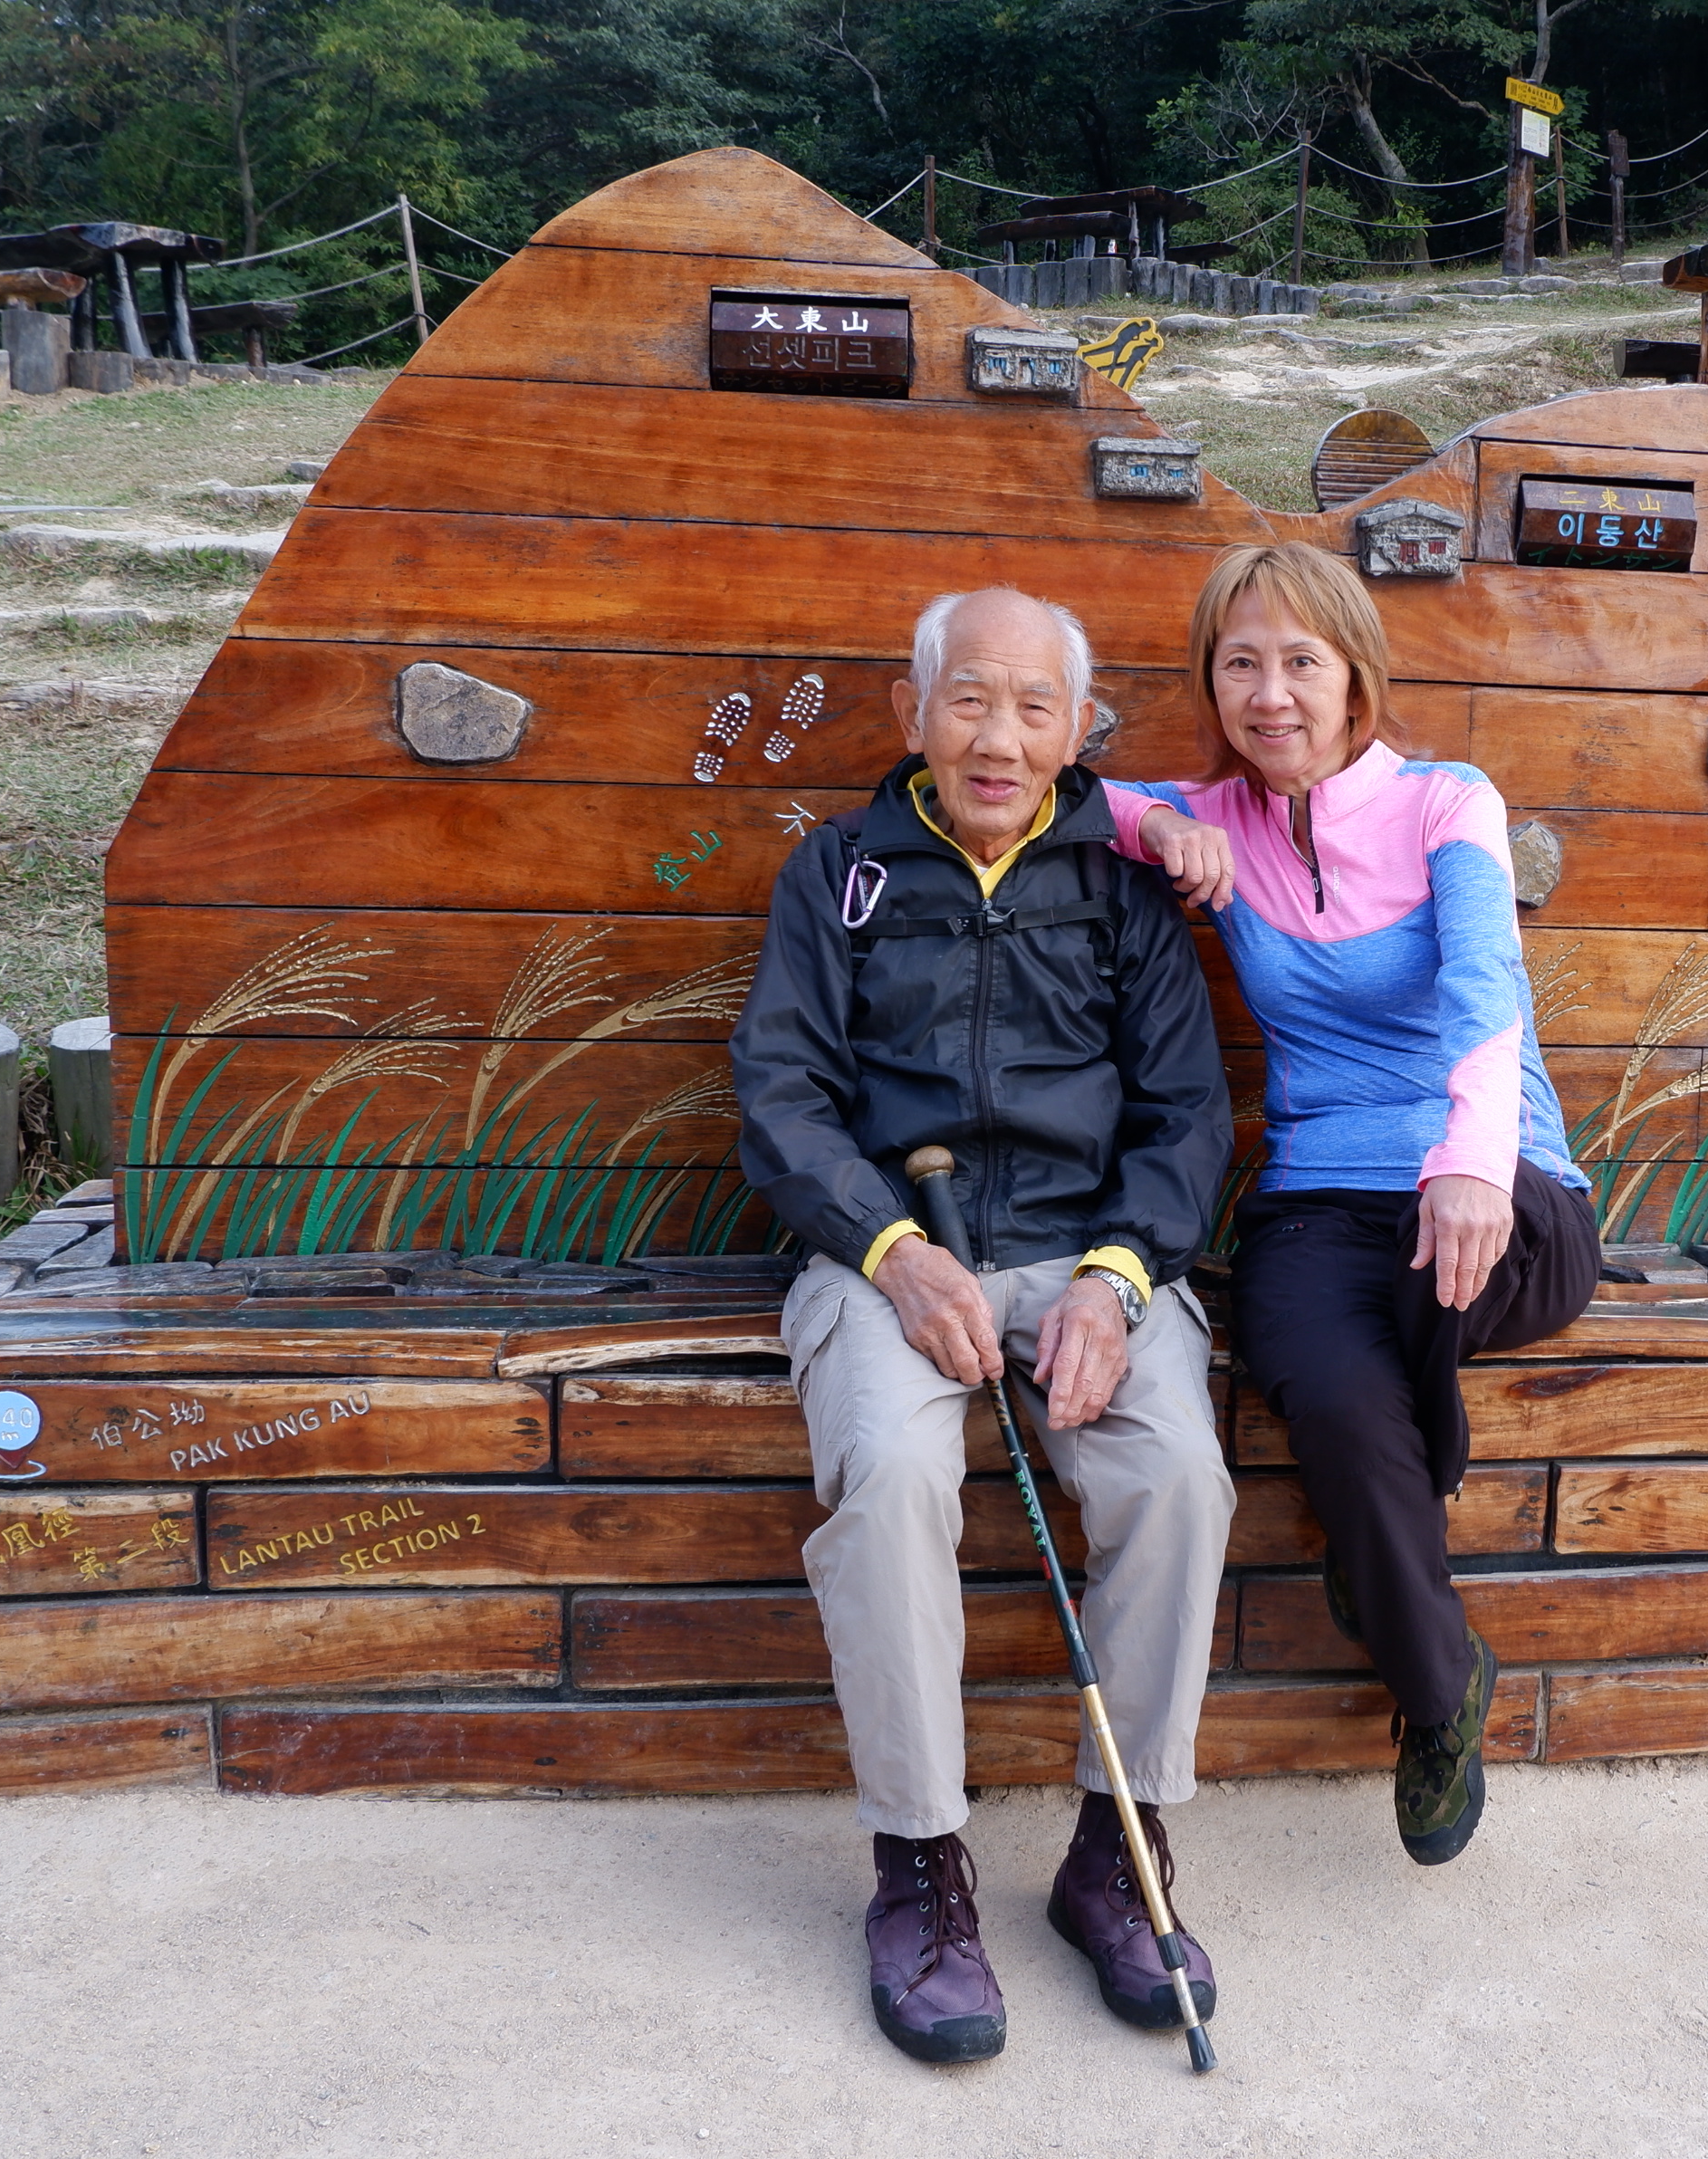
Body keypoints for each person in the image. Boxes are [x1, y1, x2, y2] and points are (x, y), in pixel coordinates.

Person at [731, 586, 1235, 2064]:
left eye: (1033, 708)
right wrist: (890, 1250)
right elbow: (781, 1094)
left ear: (1079, 732)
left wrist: (1118, 1279)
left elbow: (1187, 1115)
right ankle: (919, 1869)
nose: (998, 738)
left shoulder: (1126, 887)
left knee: (1179, 1478)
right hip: (885, 1254)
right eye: (969, 700)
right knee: (892, 1477)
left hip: (1091, 1257)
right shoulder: (840, 874)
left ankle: (1119, 1854)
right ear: (914, 713)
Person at [1105, 542, 1599, 1868]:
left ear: (1355, 675)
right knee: (1324, 1385)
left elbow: (1487, 985)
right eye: (1240, 665)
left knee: (1435, 1276)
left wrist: (1473, 1161)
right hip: (1321, 1195)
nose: (1271, 694)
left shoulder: (1448, 802)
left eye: (1300, 662)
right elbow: (1063, 794)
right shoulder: (1214, 817)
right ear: (1211, 685)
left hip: (1505, 1183)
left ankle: (1392, 1524)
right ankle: (1440, 1690)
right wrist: (1159, 827)